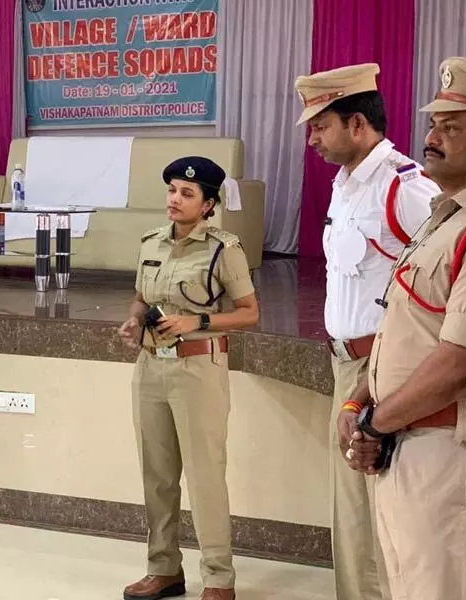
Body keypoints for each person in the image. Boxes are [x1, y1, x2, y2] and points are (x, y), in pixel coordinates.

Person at [341, 57, 466, 600]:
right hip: (414, 439)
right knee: (409, 587)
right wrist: (358, 403)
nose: (432, 138)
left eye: (452, 128)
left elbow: (459, 361)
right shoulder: (444, 217)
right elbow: (407, 330)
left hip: (456, 443)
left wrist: (375, 424)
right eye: (432, 125)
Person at [294, 63, 438, 600]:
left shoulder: (406, 188)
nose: (312, 139)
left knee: (383, 509)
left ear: (357, 124)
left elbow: (446, 287)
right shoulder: (347, 185)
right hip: (348, 364)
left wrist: (385, 369)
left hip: (387, 368)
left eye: (320, 126)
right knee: (352, 513)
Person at [118, 157, 260, 600]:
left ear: (209, 204)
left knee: (204, 477)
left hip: (199, 369)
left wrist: (195, 321)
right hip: (151, 368)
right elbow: (142, 298)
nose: (174, 200)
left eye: (186, 194)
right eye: (172, 191)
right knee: (156, 476)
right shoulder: (150, 243)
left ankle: (218, 577)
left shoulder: (223, 249)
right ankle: (163, 568)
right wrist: (132, 322)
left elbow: (249, 313)